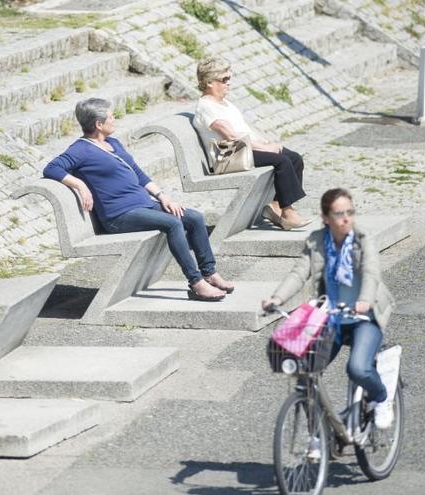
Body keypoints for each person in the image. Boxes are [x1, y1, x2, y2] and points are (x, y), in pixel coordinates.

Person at [43, 97, 234, 301]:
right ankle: (196, 283)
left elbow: (138, 173)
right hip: (119, 216)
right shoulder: (81, 149)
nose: (114, 119)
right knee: (172, 223)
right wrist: (80, 185)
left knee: (194, 218)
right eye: (111, 116)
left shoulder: (113, 143)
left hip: (144, 206)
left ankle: (209, 273)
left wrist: (163, 197)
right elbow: (51, 168)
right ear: (99, 124)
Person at [262, 188, 397, 429]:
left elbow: (371, 272)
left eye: (350, 212)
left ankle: (382, 398)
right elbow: (299, 273)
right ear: (326, 218)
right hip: (332, 317)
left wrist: (364, 300)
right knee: (305, 375)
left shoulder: (362, 238)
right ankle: (319, 436)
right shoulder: (316, 241)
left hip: (365, 316)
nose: (346, 218)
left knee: (357, 368)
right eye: (339, 214)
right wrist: (277, 298)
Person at [193, 57, 310, 230]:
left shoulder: (225, 103)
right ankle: (288, 212)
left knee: (294, 158)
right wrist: (265, 148)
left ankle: (276, 206)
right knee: (282, 161)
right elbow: (232, 137)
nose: (228, 83)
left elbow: (243, 129)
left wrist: (263, 141)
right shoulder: (206, 107)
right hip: (227, 156)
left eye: (229, 78)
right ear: (209, 82)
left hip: (241, 150)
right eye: (224, 79)